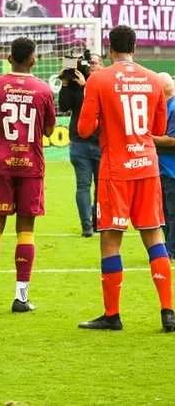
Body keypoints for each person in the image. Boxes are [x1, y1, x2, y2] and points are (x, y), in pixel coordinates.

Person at [77, 25, 175, 332]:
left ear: (109, 48)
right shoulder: (153, 79)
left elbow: (82, 130)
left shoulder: (99, 79)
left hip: (116, 169)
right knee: (155, 238)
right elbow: (157, 127)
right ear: (135, 48)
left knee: (110, 241)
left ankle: (112, 314)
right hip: (146, 165)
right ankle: (168, 312)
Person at [0, 37, 56, 315]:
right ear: (33, 60)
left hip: (2, 162)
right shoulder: (44, 89)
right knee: (25, 230)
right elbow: (48, 132)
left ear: (9, 58)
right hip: (30, 165)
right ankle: (20, 297)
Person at [58, 52, 105, 236]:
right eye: (89, 63)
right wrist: (65, 83)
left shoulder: (104, 83)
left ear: (102, 65)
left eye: (95, 62)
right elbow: (63, 107)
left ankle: (99, 221)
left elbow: (102, 107)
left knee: (102, 187)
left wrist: (86, 88)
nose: (91, 65)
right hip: (80, 142)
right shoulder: (76, 83)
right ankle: (86, 225)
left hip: (101, 141)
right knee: (83, 185)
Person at [155, 73, 175, 260]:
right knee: (165, 212)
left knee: (171, 212)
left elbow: (173, 140)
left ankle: (171, 250)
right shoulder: (167, 106)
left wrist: (147, 138)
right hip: (164, 168)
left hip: (171, 169)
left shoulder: (174, 107)